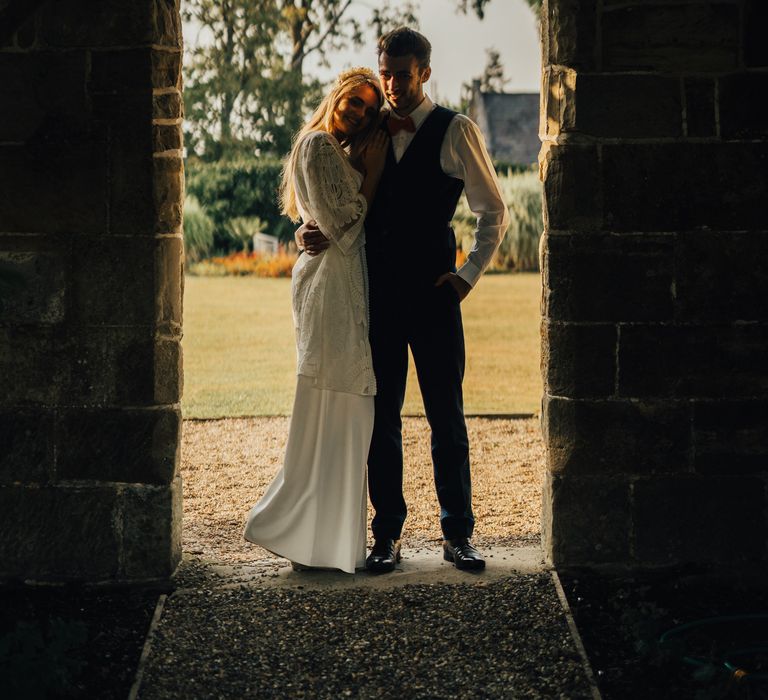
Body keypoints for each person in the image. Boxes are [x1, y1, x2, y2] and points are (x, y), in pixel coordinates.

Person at [297, 28, 510, 573]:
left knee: (447, 416)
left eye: (402, 74)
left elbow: (494, 211)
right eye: (385, 72)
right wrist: (305, 231)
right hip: (375, 295)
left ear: (425, 73)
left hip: (436, 294)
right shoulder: (362, 128)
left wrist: (467, 276)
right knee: (381, 418)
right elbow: (325, 194)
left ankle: (458, 534)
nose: (390, 84)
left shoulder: (454, 129)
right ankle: (385, 535)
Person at [243, 68, 389, 574]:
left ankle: (326, 540)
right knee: (340, 401)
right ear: (337, 96)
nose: (360, 113)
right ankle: (296, 527)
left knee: (347, 407)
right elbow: (344, 225)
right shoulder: (317, 145)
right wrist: (370, 173)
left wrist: (360, 165)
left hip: (339, 285)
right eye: (355, 102)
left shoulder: (337, 150)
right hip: (329, 289)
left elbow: (332, 218)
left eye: (369, 110)